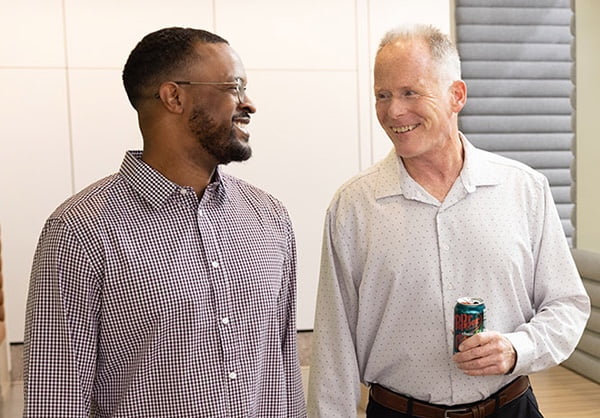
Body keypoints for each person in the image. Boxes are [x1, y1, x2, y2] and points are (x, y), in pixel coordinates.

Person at [307, 24, 590, 418]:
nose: (393, 111)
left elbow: (567, 305)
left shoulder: (524, 189)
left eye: (410, 92)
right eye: (382, 95)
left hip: (512, 408)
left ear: (456, 95)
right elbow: (333, 349)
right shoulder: (354, 206)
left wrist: (517, 348)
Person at [24, 27, 306, 417]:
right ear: (174, 96)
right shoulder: (78, 231)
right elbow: (55, 400)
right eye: (234, 86)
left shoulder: (270, 218)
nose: (249, 103)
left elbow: (285, 374)